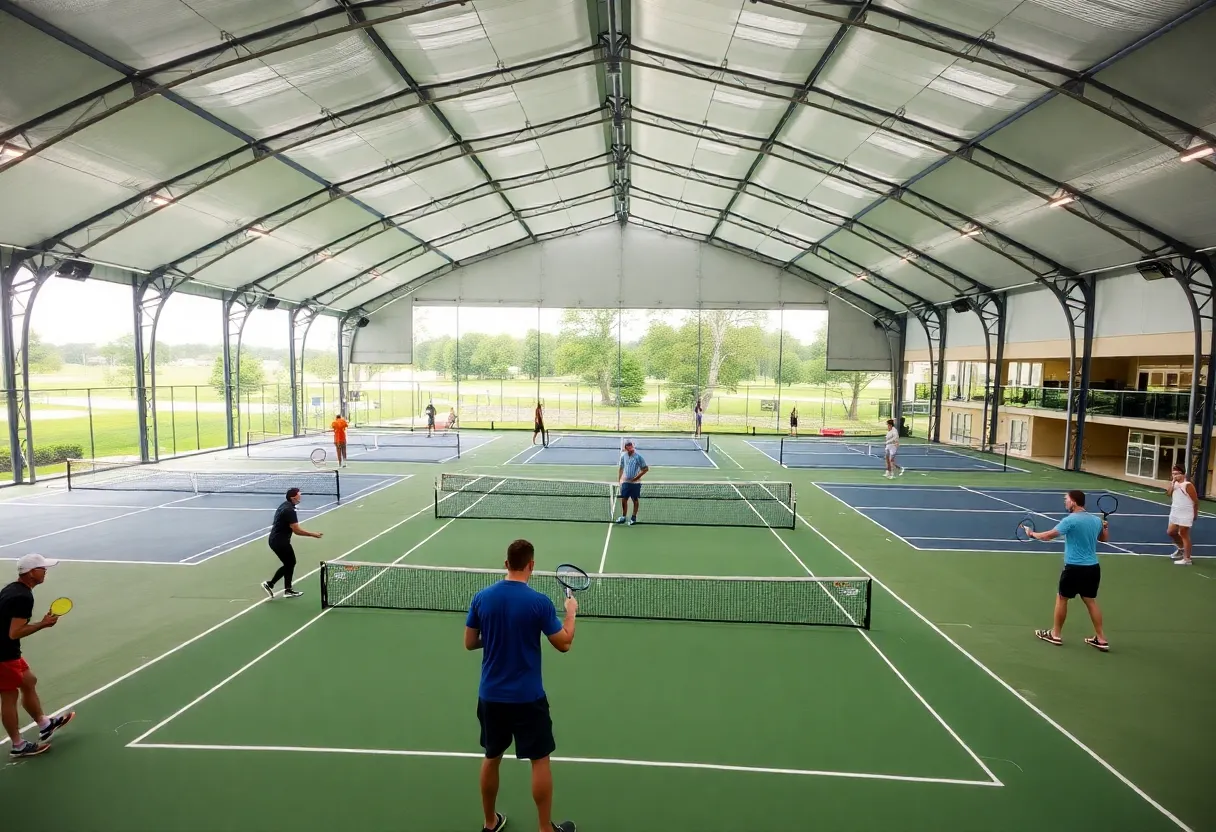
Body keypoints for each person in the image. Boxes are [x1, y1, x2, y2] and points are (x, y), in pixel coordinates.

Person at [464, 539, 578, 832]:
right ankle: (545, 829)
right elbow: (564, 643)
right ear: (531, 565)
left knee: (491, 757)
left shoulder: (482, 598)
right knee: (540, 761)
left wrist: (497, 636)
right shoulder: (538, 602)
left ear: (506, 564)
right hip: (528, 698)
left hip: (491, 696)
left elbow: (470, 642)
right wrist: (571, 612)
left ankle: (490, 823)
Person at [1, 554, 75, 758]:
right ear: (31, 572)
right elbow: (15, 632)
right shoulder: (23, 597)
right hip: (3, 654)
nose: (46, 571)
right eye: (43, 568)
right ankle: (18, 745)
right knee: (8, 696)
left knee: (29, 681)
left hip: (8, 649)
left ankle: (45, 724)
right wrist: (43, 624)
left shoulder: (13, 589)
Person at [1025, 490, 1110, 651]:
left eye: (1067, 499)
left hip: (1074, 568)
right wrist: (1104, 527)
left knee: (1062, 598)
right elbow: (1104, 539)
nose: (1065, 502)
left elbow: (1048, 536)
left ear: (1074, 502)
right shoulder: (1096, 520)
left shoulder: (1070, 520)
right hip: (1093, 568)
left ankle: (1055, 634)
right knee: (1090, 601)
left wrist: (1032, 534)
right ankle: (1101, 638)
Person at [261, 488, 323, 599]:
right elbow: (297, 530)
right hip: (280, 541)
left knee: (289, 563)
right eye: (299, 494)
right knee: (290, 563)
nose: (300, 496)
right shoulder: (289, 511)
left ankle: (277, 586)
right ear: (293, 497)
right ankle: (280, 587)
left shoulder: (285, 505)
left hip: (276, 540)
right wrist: (312, 534)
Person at [1165, 464, 1198, 565]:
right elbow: (1168, 493)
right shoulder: (1174, 484)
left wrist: (1195, 514)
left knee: (1183, 534)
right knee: (1171, 532)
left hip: (1186, 513)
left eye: (1176, 474)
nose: (1174, 476)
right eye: (1173, 474)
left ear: (1183, 474)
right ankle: (1181, 549)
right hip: (1175, 512)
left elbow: (1195, 501)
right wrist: (1172, 483)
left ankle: (1187, 559)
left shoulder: (1188, 485)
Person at [616, 440, 648, 525]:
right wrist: (619, 479)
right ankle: (623, 517)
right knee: (624, 499)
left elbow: (645, 469)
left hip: (635, 483)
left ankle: (633, 517)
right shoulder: (624, 456)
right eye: (628, 446)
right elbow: (621, 468)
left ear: (633, 447)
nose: (630, 447)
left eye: (631, 446)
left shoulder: (638, 457)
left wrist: (636, 478)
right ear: (626, 447)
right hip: (626, 482)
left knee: (635, 499)